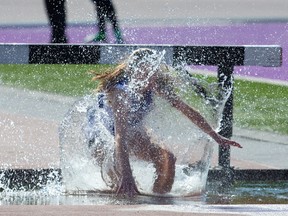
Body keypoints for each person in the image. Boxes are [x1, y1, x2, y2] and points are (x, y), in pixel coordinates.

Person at [86, 48, 242, 197]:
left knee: (167, 159)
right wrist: (127, 176)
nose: (149, 77)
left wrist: (214, 135)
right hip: (102, 139)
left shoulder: (155, 84)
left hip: (132, 132)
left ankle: (159, 199)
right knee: (124, 186)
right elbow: (119, 137)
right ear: (133, 72)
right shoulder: (121, 93)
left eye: (153, 72)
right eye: (144, 72)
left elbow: (187, 110)